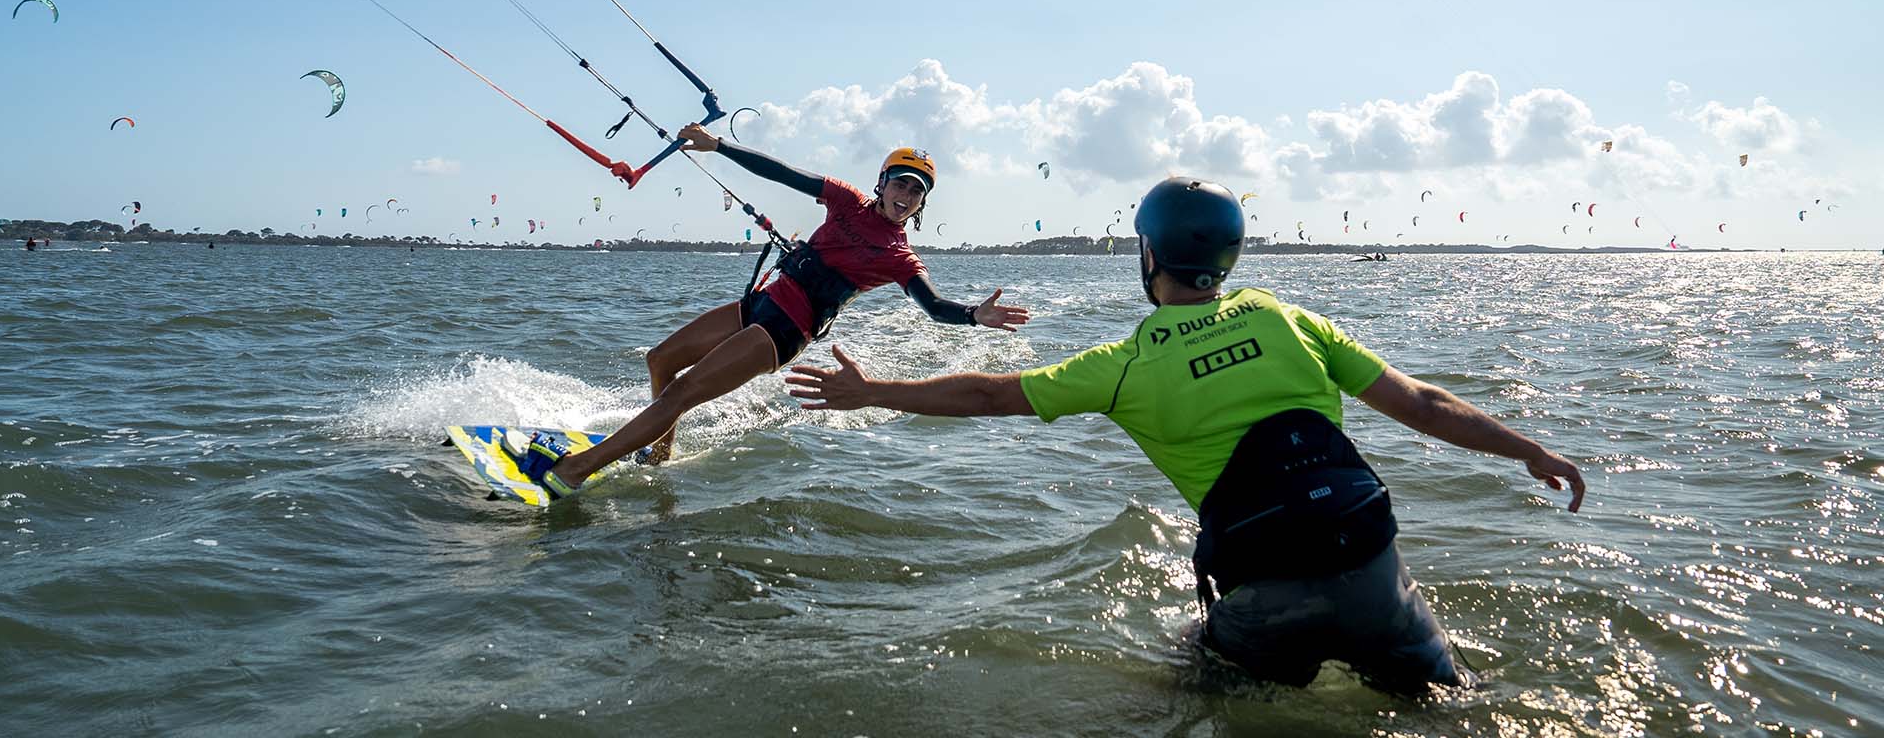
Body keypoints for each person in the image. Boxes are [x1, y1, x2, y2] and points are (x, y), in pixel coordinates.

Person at [787, 176, 1586, 694]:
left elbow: (989, 394)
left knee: (1188, 683)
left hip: (1263, 592)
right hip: (1372, 570)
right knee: (1449, 703)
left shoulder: (1127, 362)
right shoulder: (1285, 317)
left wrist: (871, 392)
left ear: (1147, 254)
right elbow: (1423, 404)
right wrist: (1529, 450)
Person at [525, 122, 1030, 500]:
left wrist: (971, 316)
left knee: (683, 391)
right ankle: (658, 452)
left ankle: (575, 470)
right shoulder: (847, 201)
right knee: (661, 359)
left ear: (922, 205)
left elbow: (933, 305)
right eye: (900, 182)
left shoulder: (900, 256)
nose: (906, 195)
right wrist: (718, 146)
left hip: (787, 329)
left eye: (917, 191)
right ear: (882, 183)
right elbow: (785, 173)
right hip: (764, 302)